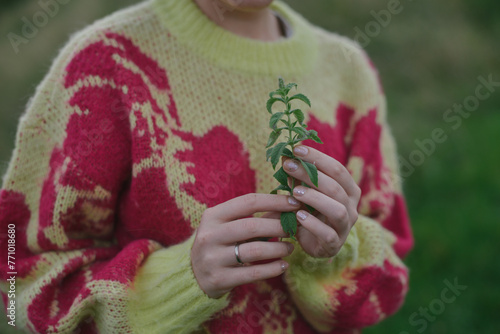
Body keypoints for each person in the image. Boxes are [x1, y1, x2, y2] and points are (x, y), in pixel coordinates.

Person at [0, 0, 414, 332]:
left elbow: (388, 275)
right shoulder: (106, 64)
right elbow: (18, 275)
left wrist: (336, 254)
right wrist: (173, 286)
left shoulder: (346, 70)